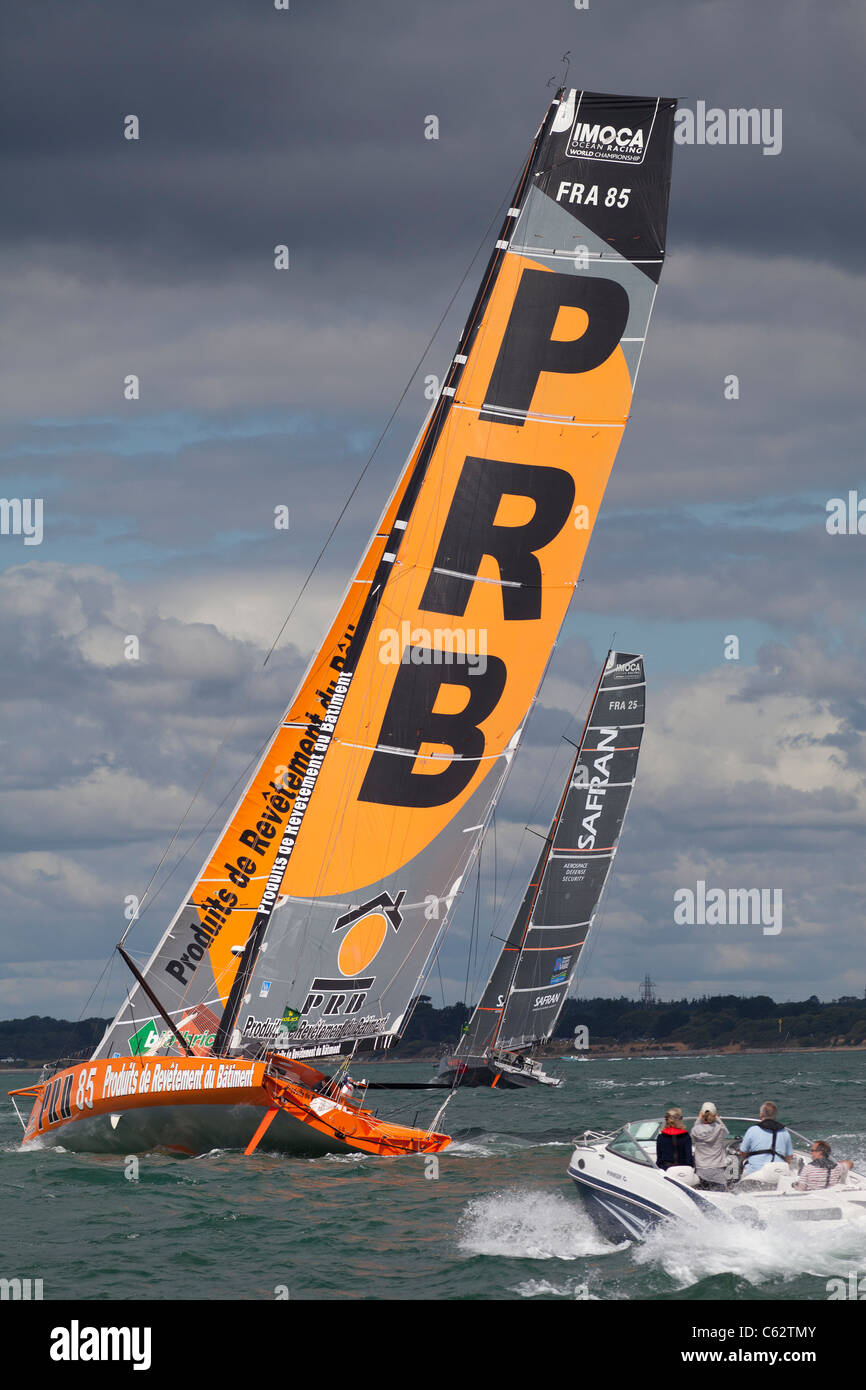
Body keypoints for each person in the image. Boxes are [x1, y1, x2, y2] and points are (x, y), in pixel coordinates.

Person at [738, 1101, 794, 1175]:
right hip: (778, 1173)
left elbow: (742, 1153)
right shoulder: (785, 1132)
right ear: (775, 1115)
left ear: (761, 1115)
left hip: (756, 1172)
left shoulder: (752, 1130)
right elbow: (789, 1158)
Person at [690, 1101, 730, 1189]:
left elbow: (693, 1131)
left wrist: (699, 1119)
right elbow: (727, 1132)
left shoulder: (696, 1130)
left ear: (701, 1114)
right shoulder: (720, 1129)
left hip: (701, 1168)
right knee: (721, 1194)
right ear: (715, 1114)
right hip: (717, 1167)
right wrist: (717, 1118)